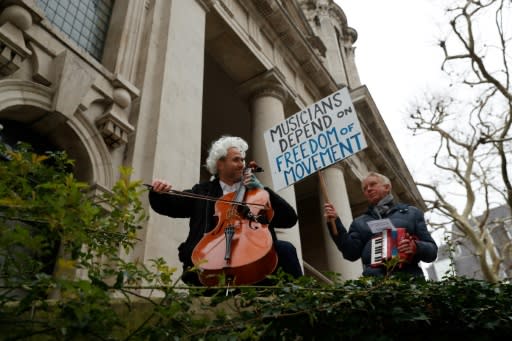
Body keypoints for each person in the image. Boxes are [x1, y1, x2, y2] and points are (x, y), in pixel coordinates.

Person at [149, 135, 303, 286]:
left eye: (243, 160)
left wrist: (263, 190)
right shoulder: (203, 191)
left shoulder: (257, 193)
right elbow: (172, 206)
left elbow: (289, 219)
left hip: (254, 256)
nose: (242, 164)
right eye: (236, 159)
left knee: (285, 249)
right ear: (220, 164)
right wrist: (159, 192)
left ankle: (300, 302)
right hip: (211, 260)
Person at [324, 171, 437, 278]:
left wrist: (416, 246)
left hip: (409, 281)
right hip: (375, 285)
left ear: (387, 187)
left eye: (372, 184)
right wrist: (335, 222)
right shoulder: (359, 222)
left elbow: (432, 252)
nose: (368, 189)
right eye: (365, 188)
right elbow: (350, 253)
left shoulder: (412, 213)